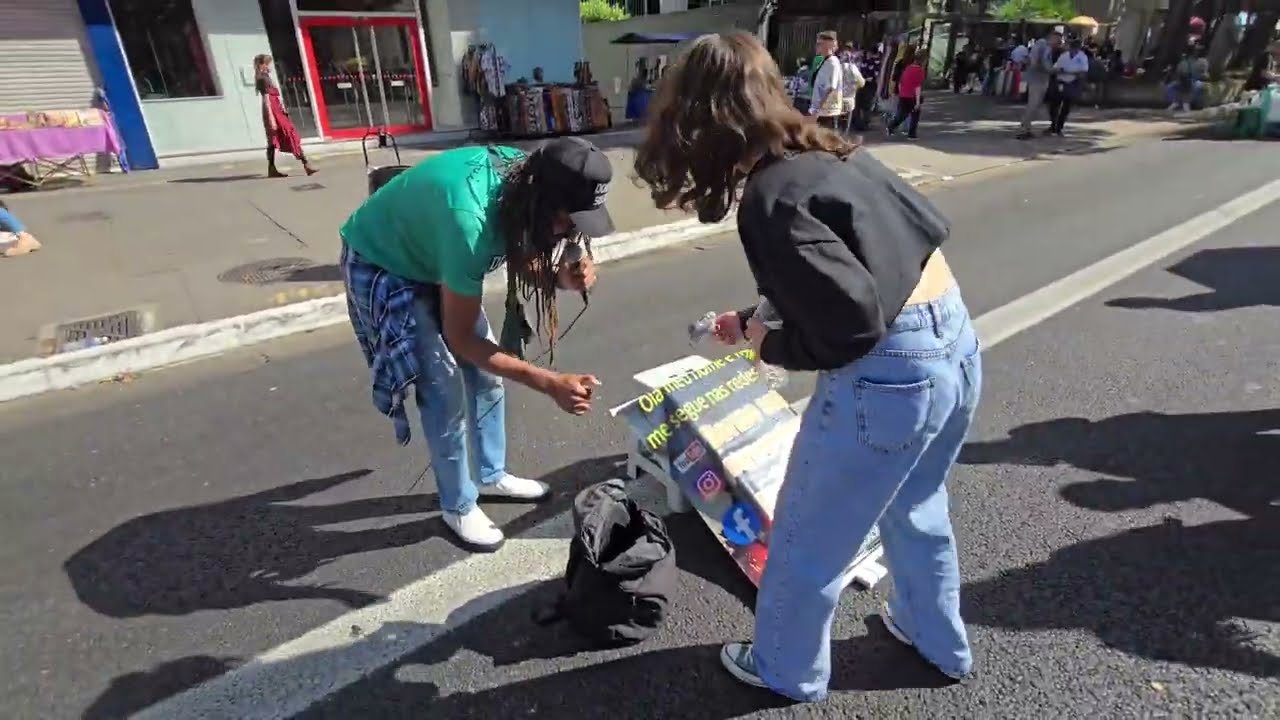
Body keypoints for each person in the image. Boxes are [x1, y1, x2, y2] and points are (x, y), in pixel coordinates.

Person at [634, 31, 980, 704]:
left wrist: (769, 346)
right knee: (917, 506)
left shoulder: (772, 197)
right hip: (955, 340)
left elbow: (851, 324)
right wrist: (760, 318)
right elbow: (888, 252)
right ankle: (937, 638)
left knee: (805, 534)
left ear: (700, 120)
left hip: (891, 372)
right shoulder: (834, 151)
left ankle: (786, 669)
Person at [339, 137, 613, 550]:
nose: (573, 232)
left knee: (487, 379)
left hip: (434, 248)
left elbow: (524, 245)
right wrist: (549, 382)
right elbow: (462, 339)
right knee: (443, 388)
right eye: (570, 221)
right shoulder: (472, 223)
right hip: (385, 259)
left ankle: (491, 474)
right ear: (541, 205)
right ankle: (458, 505)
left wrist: (560, 278)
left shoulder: (526, 181)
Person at [253, 54, 316, 178]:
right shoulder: (263, 79)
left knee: (277, 138)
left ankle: (301, 164)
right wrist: (271, 118)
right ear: (262, 65)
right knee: (286, 135)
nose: (270, 66)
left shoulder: (265, 77)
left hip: (276, 110)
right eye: (268, 63)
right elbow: (266, 100)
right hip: (272, 111)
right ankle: (305, 164)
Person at [1016, 31, 1061, 139]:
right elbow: (1041, 63)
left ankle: (1026, 127)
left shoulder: (1043, 46)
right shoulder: (1044, 46)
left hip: (1039, 78)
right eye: (1058, 40)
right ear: (1052, 37)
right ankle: (1024, 129)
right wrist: (1055, 70)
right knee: (1033, 104)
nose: (1058, 43)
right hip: (1038, 79)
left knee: (1034, 104)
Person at [1048, 38, 1089, 136]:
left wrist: (1072, 73)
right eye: (1073, 48)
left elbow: (1083, 72)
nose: (1074, 50)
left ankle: (1059, 127)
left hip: (1072, 82)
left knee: (1066, 107)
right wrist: (1060, 71)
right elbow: (1056, 68)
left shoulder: (1082, 57)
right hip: (1061, 81)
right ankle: (1053, 125)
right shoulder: (1064, 56)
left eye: (1076, 48)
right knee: (1054, 105)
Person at [886, 45, 924, 139]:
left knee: (901, 114)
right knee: (915, 114)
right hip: (912, 95)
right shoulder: (919, 70)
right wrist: (918, 101)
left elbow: (898, 80)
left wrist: (900, 91)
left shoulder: (904, 66)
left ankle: (891, 126)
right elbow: (918, 86)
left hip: (903, 93)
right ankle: (911, 133)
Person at [808, 31, 844, 129]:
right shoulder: (825, 61)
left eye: (820, 44)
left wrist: (817, 111)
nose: (817, 47)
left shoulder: (832, 62)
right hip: (822, 111)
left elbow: (830, 88)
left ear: (828, 45)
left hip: (827, 112)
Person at [1165, 45, 1209, 112]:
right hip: (1190, 83)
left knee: (1177, 99)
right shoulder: (1200, 63)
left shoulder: (1183, 62)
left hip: (1182, 82)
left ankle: (1169, 109)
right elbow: (1203, 75)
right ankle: (1187, 113)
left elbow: (1178, 72)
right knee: (1186, 102)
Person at [838, 44, 866, 132]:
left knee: (836, 124)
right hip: (849, 99)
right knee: (846, 125)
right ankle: (844, 137)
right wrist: (854, 86)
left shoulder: (837, 68)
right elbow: (862, 83)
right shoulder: (854, 69)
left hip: (837, 99)